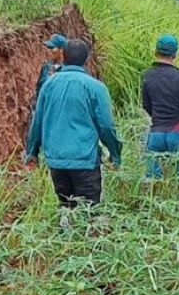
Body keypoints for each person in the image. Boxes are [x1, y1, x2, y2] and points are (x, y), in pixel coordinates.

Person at [24, 38, 122, 208]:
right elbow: (106, 126)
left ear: (63, 55)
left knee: (66, 208)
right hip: (84, 160)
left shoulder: (48, 85)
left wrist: (32, 151)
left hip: (56, 161)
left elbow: (37, 120)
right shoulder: (96, 87)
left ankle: (64, 231)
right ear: (86, 59)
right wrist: (114, 153)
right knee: (88, 213)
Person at [141, 34, 179, 178]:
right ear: (175, 54)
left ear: (156, 51)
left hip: (155, 133)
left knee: (152, 181)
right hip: (176, 132)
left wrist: (157, 116)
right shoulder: (178, 76)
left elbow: (146, 105)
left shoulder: (147, 75)